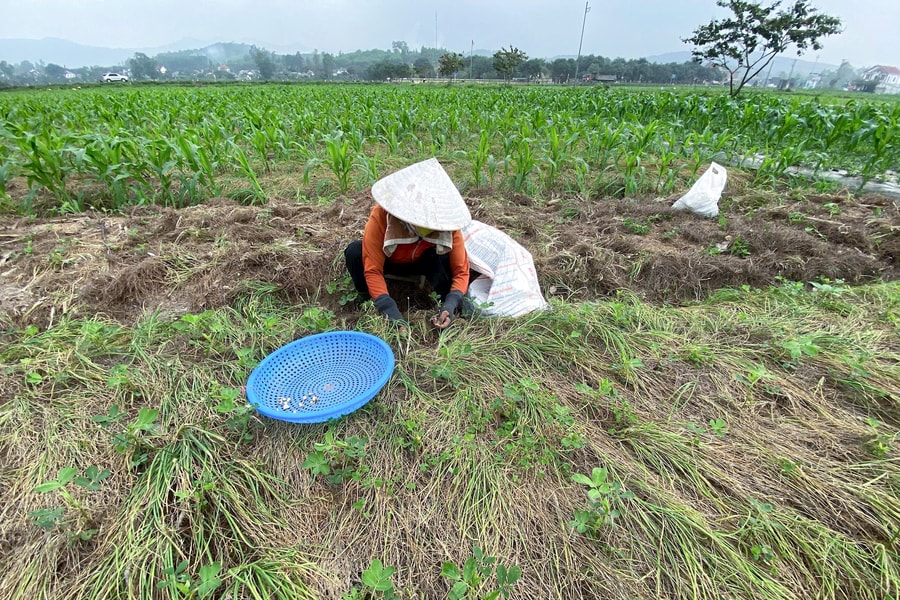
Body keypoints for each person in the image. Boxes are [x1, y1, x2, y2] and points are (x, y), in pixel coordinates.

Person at [344, 158, 471, 330]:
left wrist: (451, 302)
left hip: (422, 262)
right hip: (390, 260)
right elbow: (373, 269)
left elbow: (461, 271)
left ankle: (443, 307)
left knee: (441, 258)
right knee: (354, 252)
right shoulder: (382, 216)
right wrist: (391, 312)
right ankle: (367, 302)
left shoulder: (447, 225)